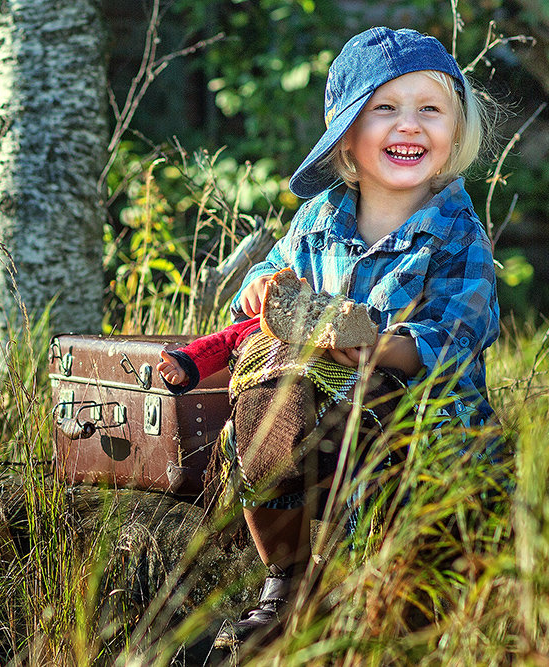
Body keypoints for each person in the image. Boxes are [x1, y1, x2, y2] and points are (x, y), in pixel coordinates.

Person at [167, 26, 502, 649]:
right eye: (385, 109)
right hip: (318, 408)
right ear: (347, 133)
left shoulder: (457, 232)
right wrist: (266, 289)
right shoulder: (320, 216)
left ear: (456, 129)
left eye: (430, 109)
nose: (409, 126)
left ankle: (390, 599)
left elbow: (455, 337)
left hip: (419, 417)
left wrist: (377, 346)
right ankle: (287, 586)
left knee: (374, 399)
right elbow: (277, 274)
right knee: (266, 400)